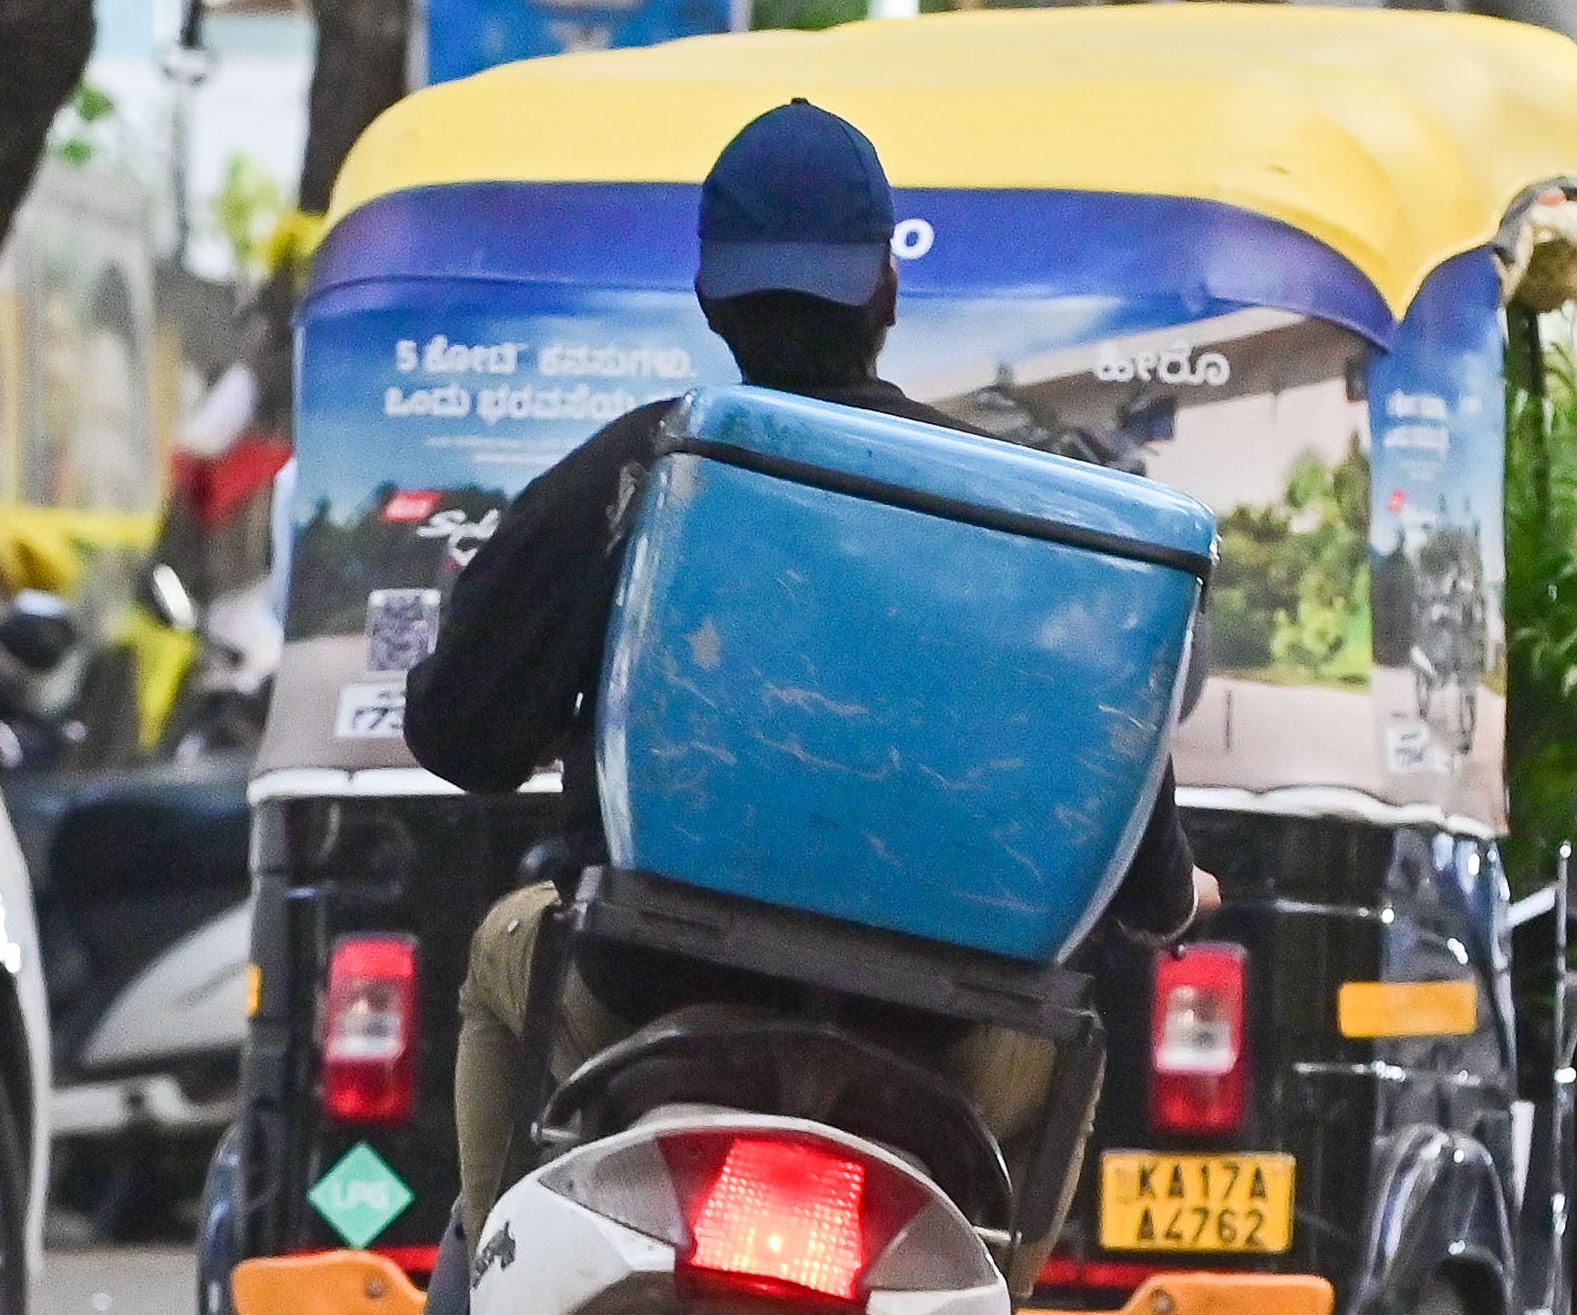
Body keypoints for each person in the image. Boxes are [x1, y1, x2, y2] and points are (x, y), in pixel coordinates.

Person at [404, 98, 1217, 1249]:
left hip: (638, 1000)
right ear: (885, 290)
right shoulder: (1021, 515)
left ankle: (501, 1285)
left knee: (503, 947)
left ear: (708, 294)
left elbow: (461, 736)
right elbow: (1129, 835)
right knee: (1062, 1048)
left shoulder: (639, 465)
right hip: (937, 1053)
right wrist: (1174, 896)